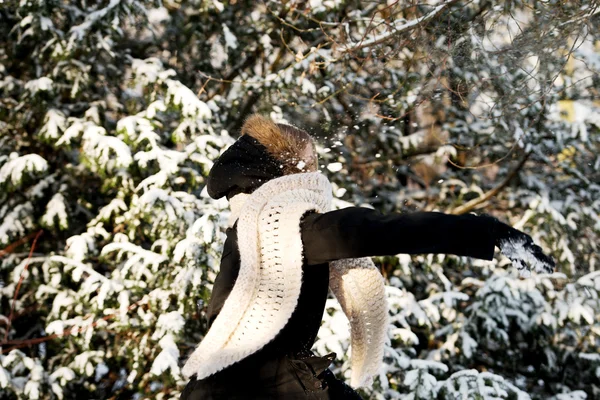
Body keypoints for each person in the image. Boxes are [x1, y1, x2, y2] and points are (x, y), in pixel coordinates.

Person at [179, 114, 555, 400]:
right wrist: (489, 232)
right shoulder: (293, 228)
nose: (316, 171)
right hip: (264, 385)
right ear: (287, 170)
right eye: (309, 163)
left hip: (227, 382)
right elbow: (392, 229)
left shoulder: (246, 229)